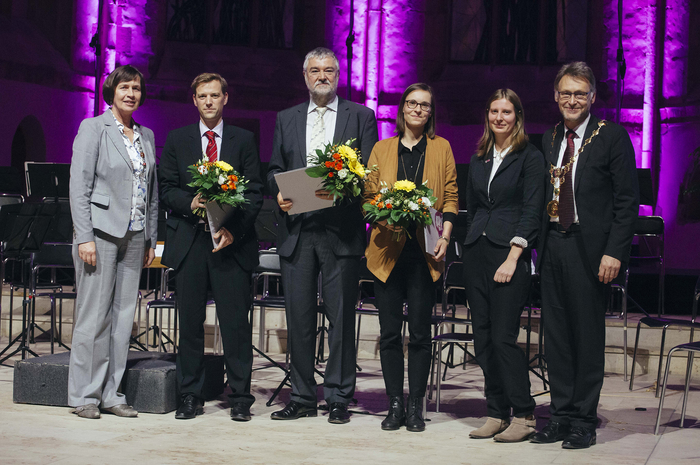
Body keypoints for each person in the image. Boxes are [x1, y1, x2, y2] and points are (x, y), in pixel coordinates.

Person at [267, 47, 378, 424]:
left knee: (342, 320)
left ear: (338, 74)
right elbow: (274, 168)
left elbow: (368, 172)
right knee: (299, 319)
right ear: (304, 76)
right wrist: (279, 192)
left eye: (329, 70)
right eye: (314, 70)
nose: (322, 76)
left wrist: (346, 186)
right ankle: (301, 396)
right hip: (298, 232)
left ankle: (338, 397)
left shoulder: (361, 116)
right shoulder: (286, 117)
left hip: (340, 231)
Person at [530, 62, 639, 449]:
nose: (572, 100)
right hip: (554, 244)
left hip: (591, 250)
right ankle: (559, 416)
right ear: (556, 97)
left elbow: (628, 203)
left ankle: (582, 420)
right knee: (556, 337)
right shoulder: (550, 137)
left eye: (580, 93)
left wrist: (615, 253)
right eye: (566, 93)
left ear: (592, 97)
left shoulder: (611, 136)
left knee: (586, 336)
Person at [158, 73, 263, 421]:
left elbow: (254, 193)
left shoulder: (243, 139)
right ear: (194, 100)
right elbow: (166, 188)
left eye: (214, 95)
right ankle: (190, 395)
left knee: (235, 324)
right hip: (190, 242)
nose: (208, 102)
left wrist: (233, 230)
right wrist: (192, 202)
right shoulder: (177, 139)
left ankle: (241, 397)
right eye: (202, 96)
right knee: (189, 323)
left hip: (230, 244)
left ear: (225, 98)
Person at [363, 83, 458, 432]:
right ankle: (394, 404)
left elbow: (450, 197)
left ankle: (416, 405)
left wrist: (446, 236)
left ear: (431, 113)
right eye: (412, 103)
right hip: (387, 251)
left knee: (419, 333)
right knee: (389, 333)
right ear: (402, 108)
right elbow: (368, 197)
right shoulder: (381, 148)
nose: (418, 110)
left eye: (425, 106)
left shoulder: (441, 148)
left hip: (425, 253)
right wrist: (383, 212)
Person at [68, 65, 158, 419]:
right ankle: (84, 397)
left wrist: (151, 237)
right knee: (93, 317)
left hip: (135, 236)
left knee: (123, 318)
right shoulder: (93, 128)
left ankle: (111, 393)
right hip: (101, 234)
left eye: (136, 88)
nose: (131, 93)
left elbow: (151, 192)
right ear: (112, 91)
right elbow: (80, 187)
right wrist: (84, 236)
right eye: (124, 87)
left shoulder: (146, 135)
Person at [462, 89, 545, 442]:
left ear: (517, 116)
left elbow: (532, 211)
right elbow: (473, 207)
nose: (499, 117)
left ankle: (524, 415)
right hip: (477, 251)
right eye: (494, 110)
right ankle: (496, 412)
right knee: (482, 338)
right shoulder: (480, 156)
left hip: (509, 254)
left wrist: (514, 257)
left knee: (503, 338)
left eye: (506, 111)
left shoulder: (530, 157)